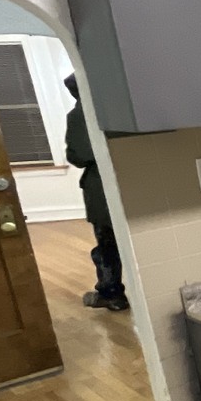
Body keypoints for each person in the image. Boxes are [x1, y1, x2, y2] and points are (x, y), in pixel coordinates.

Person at [63, 73, 128, 311]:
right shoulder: (122, 108)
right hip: (133, 181)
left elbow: (78, 155)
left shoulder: (79, 114)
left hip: (102, 188)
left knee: (107, 245)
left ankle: (111, 294)